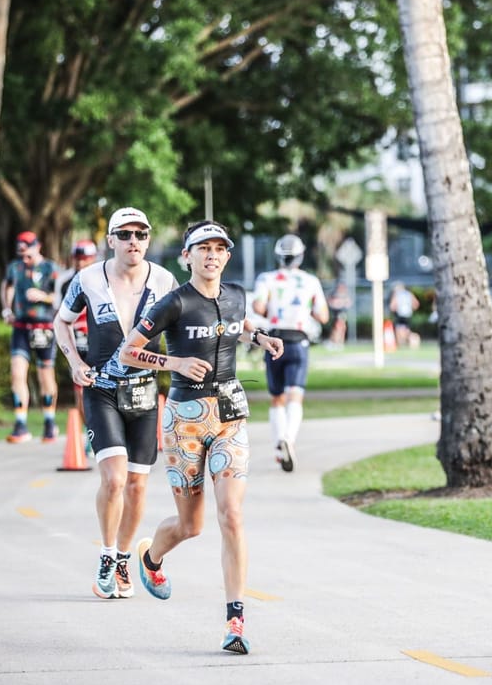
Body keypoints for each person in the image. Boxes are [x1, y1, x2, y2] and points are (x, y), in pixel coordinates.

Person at [118, 219, 284, 655]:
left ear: (227, 255)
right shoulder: (173, 303)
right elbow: (128, 351)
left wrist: (260, 336)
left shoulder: (236, 296)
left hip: (229, 415)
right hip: (183, 422)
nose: (211, 255)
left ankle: (235, 621)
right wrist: (175, 365)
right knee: (191, 525)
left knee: (231, 515)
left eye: (218, 248)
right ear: (186, 256)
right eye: (202, 248)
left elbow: (236, 325)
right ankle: (151, 557)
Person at [53, 208, 178, 600]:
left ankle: (124, 557)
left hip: (143, 393)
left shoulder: (164, 279)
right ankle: (107, 556)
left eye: (141, 234)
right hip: (102, 389)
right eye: (124, 235)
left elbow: (180, 327)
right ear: (111, 240)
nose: (133, 242)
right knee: (114, 479)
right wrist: (75, 362)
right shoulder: (87, 279)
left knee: (138, 486)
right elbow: (62, 322)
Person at [251, 234, 329, 472]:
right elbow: (323, 316)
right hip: (298, 341)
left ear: (278, 255)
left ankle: (278, 444)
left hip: (274, 340)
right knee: (295, 395)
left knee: (277, 398)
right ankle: (289, 439)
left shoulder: (266, 279)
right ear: (301, 256)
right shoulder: (310, 281)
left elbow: (258, 307)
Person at [1, 231, 61, 444]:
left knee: (45, 376)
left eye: (27, 253)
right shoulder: (15, 268)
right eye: (21, 253)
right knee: (17, 373)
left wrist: (43, 296)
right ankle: (20, 424)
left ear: (38, 247)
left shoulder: (51, 269)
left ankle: (49, 422)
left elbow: (62, 297)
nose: (24, 257)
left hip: (44, 327)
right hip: (20, 326)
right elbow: (7, 286)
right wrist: (7, 309)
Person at [55, 239, 98, 436]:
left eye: (86, 259)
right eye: (78, 259)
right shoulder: (65, 281)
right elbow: (60, 316)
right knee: (81, 391)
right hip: (77, 340)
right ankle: (90, 432)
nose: (81, 263)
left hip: (99, 340)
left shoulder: (105, 279)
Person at [388, 281, 419, 349]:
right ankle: (413, 340)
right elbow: (416, 304)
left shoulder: (397, 294)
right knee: (406, 330)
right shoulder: (409, 294)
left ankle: (401, 344)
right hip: (408, 314)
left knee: (399, 329)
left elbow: (392, 306)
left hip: (400, 314)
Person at [326, 281, 351, 349]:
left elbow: (348, 303)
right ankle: (334, 342)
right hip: (335, 313)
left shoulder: (345, 295)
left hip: (342, 313)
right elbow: (331, 302)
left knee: (340, 327)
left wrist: (340, 303)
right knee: (336, 328)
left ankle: (339, 343)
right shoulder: (334, 294)